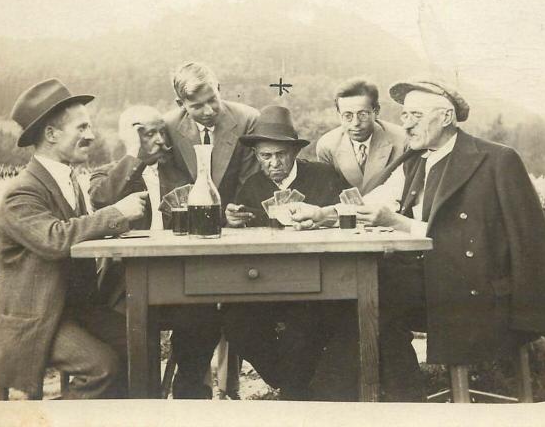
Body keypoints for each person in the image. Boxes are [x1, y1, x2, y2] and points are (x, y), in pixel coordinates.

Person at [290, 79, 545, 401]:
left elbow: (520, 241)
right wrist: (322, 213)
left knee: (372, 297)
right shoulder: (416, 160)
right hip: (427, 279)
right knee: (364, 295)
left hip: (475, 289)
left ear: (446, 117)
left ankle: (349, 399)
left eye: (415, 115)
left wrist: (398, 223)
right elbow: (373, 202)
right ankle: (393, 397)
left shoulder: (496, 159)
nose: (406, 123)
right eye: (404, 115)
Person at [0, 79, 148, 399]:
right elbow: (55, 240)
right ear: (52, 134)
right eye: (81, 127)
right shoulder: (23, 191)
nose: (91, 135)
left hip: (70, 310)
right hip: (35, 318)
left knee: (140, 343)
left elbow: (78, 229)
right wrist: (115, 214)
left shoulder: (68, 179)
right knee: (103, 368)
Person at [87, 105, 222, 399]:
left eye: (163, 131)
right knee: (137, 332)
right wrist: (134, 155)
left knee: (205, 317)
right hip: (126, 287)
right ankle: (144, 401)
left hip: (177, 280)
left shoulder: (179, 174)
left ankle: (189, 396)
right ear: (130, 138)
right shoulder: (109, 175)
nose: (162, 140)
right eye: (150, 134)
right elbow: (101, 200)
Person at [222, 105, 351, 400]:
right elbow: (238, 234)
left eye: (280, 155)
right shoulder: (252, 186)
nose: (274, 163)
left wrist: (325, 217)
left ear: (294, 152)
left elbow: (353, 210)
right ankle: (293, 382)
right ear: (256, 156)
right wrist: (232, 221)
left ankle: (294, 395)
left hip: (319, 282)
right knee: (235, 321)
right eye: (265, 156)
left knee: (305, 326)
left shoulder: (324, 175)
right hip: (265, 285)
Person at [162, 62, 260, 212]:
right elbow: (173, 185)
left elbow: (248, 182)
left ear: (218, 89)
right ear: (180, 104)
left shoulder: (248, 120)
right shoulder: (168, 127)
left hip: (235, 219)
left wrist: (233, 218)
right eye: (197, 106)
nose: (208, 111)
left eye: (212, 100)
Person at [316, 78, 406, 195]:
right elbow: (328, 193)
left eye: (363, 115)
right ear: (338, 114)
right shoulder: (327, 145)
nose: (355, 123)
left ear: (376, 111)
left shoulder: (402, 140)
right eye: (347, 115)